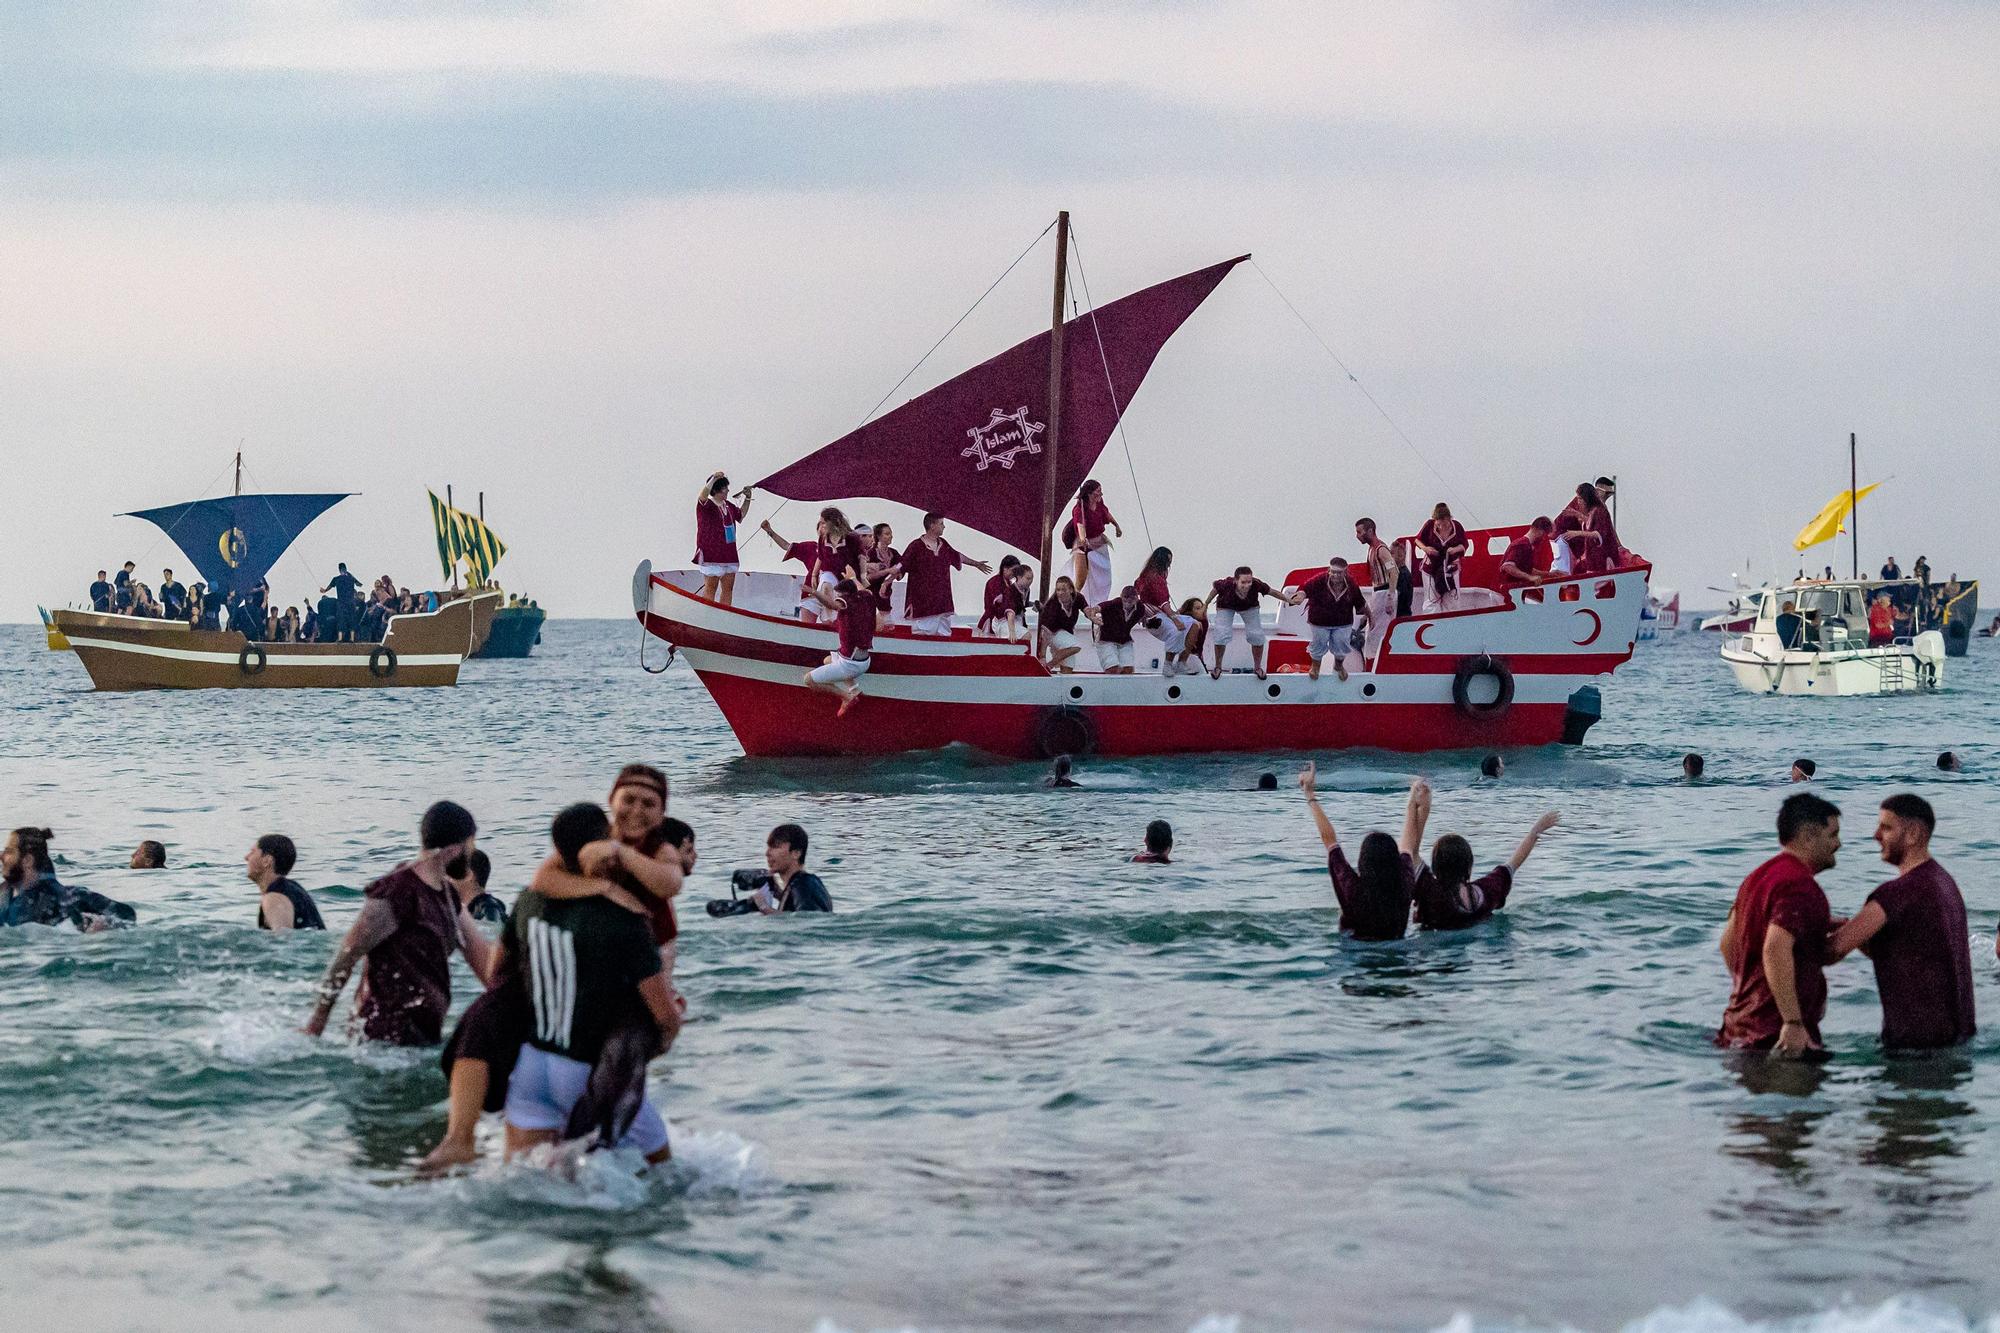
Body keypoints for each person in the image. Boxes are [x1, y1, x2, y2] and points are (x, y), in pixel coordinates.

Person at [428, 765, 681, 1172]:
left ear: (663, 812)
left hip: (541, 1059)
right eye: (628, 800)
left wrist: (622, 856)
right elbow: (543, 879)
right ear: (611, 804)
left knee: (529, 1176)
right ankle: (459, 1138)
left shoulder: (656, 850)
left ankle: (460, 1140)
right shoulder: (603, 876)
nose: (636, 810)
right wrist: (607, 888)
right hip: (586, 1049)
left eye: (649, 803)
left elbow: (669, 883)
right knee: (659, 1174)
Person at [501, 803, 681, 1164]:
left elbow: (496, 974)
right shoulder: (623, 918)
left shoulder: (528, 901)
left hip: (531, 1064)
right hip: (589, 1068)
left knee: (529, 1176)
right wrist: (660, 1041)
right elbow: (663, 1015)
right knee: (664, 1174)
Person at [303, 800, 495, 1045]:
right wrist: (317, 1024)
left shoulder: (448, 897)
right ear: (455, 849)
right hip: (380, 1042)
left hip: (424, 1038)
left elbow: (485, 964)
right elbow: (345, 957)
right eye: (471, 844)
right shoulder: (396, 892)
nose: (472, 854)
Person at [1825, 794, 1975, 1051]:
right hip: (1956, 1036)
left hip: (1914, 1045)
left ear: (1914, 833)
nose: (1875, 835)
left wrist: (1785, 936)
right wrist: (1852, 931)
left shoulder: (1896, 894)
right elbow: (1912, 953)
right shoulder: (1945, 884)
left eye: (1886, 827)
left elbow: (1832, 950)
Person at [1716, 792, 1841, 1057]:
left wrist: (1754, 992)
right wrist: (1792, 1022)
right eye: (1832, 835)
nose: (1838, 844)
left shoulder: (1757, 878)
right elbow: (1775, 949)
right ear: (1809, 836)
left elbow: (1728, 944)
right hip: (1776, 1036)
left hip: (1739, 1028)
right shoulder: (1800, 885)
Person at [1299, 761, 1427, 941]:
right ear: (1395, 862)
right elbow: (1408, 845)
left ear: (1362, 861)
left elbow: (1329, 839)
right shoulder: (1404, 884)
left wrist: (1309, 794)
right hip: (1399, 952)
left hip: (1355, 954)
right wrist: (1414, 802)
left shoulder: (1353, 889)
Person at [1413, 810, 1560, 931]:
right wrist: (1536, 830)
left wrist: (1416, 807)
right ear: (1469, 865)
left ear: (1436, 867)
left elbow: (1412, 853)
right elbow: (1514, 862)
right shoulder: (1487, 890)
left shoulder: (1432, 894)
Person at [0, 827, 137, 930]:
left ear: (27, 860)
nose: (2, 856)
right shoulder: (3, 894)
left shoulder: (67, 899)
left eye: (9, 852)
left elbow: (127, 915)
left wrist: (103, 926)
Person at [900, 511, 991, 635]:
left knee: (943, 634)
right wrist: (887, 580)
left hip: (942, 601)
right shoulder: (916, 546)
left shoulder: (943, 544)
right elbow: (901, 566)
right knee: (923, 633)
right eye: (941, 523)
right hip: (923, 603)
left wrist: (976, 564)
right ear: (932, 525)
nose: (944, 526)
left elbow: (957, 556)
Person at [1203, 567, 1300, 681]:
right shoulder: (1227, 584)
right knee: (1221, 633)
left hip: (1249, 607)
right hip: (1226, 605)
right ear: (1236, 581)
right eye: (1243, 582)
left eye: (1249, 582)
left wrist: (1289, 600)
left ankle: (1257, 668)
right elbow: (1215, 590)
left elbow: (1272, 592)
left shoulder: (1256, 584)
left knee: (1256, 635)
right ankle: (1218, 667)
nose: (1247, 585)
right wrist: (1206, 604)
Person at [802, 577, 879, 717]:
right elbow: (863, 589)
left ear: (845, 595)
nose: (836, 598)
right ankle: (854, 688)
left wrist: (815, 592)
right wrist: (852, 577)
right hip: (864, 659)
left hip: (851, 664)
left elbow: (832, 605)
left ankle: (846, 697)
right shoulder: (866, 597)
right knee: (827, 660)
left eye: (838, 595)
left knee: (808, 680)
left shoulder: (847, 603)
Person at [1298, 557, 1368, 682]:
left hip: (1342, 622)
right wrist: (1300, 596)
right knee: (1319, 642)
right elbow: (1305, 588)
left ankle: (1339, 666)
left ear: (1345, 572)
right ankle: (1315, 667)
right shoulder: (1320, 580)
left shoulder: (1351, 584)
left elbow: (1360, 603)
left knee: (1341, 643)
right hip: (1319, 621)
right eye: (1333, 571)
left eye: (1339, 572)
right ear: (1329, 570)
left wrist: (1370, 616)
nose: (1335, 575)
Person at [692, 472, 752, 606]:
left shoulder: (728, 506)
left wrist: (748, 499)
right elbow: (702, 496)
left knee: (728, 589)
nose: (728, 490)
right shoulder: (706, 506)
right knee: (710, 588)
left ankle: (725, 614)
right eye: (725, 488)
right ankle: (707, 615)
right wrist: (713, 479)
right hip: (711, 554)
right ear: (716, 489)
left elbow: (740, 515)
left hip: (728, 553)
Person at [248, 834, 326, 931]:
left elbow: (283, 941)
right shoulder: (294, 888)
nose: (246, 857)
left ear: (267, 861)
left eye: (252, 852)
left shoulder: (274, 897)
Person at [1067, 479, 1121, 603]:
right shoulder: (1079, 508)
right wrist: (1082, 538)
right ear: (1089, 493)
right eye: (1098, 492)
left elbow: (1106, 513)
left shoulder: (1099, 502)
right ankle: (1072, 600)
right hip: (1084, 543)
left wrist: (1116, 525)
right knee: (1081, 579)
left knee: (1103, 576)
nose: (1101, 495)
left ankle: (1098, 603)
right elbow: (1080, 524)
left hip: (1099, 542)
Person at [760, 824, 831, 912]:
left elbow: (806, 920)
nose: (767, 853)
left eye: (775, 847)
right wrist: (779, 894)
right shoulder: (806, 883)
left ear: (796, 853)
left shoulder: (802, 884)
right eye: (768, 847)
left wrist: (763, 907)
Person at [1355, 518, 1397, 661]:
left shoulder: (1381, 549)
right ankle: (1371, 661)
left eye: (1360, 532)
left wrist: (1390, 596)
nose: (1358, 536)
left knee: (1378, 631)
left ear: (1370, 531)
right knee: (1371, 630)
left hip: (1384, 592)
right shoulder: (1371, 550)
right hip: (1378, 592)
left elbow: (1394, 571)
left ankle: (1376, 662)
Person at [1416, 503, 1470, 611]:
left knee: (1452, 601)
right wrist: (1426, 549)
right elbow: (1418, 540)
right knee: (1431, 601)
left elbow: (1464, 544)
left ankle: (1451, 623)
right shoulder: (1429, 525)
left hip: (1450, 567)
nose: (1442, 527)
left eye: (1445, 524)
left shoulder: (1457, 527)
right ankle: (1432, 622)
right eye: (1439, 525)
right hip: (1431, 568)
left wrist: (1454, 550)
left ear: (1449, 519)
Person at [1085, 584, 1145, 674]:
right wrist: (1093, 617)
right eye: (1126, 597)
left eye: (1132, 598)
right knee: (1112, 669)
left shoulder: (1140, 608)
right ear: (1121, 596)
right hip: (1106, 639)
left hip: (1124, 640)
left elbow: (1143, 618)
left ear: (1137, 598)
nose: (1128, 600)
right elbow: (1096, 608)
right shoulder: (1114, 603)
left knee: (1128, 670)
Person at [1038, 575, 1085, 672]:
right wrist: (1042, 656)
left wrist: (1093, 617)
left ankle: (1056, 663)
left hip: (1065, 636)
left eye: (1063, 590)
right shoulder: (1052, 606)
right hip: (1053, 635)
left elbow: (1086, 608)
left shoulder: (1077, 598)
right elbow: (1045, 634)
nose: (1060, 593)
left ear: (1071, 590)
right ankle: (1050, 665)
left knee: (1068, 669)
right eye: (1058, 590)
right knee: (1077, 644)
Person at [452, 849, 509, 928]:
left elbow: (493, 933)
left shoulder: (489, 908)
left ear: (468, 875)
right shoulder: (468, 911)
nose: (446, 878)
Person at [979, 559, 1034, 641]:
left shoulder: (1022, 588)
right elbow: (1009, 611)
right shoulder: (996, 583)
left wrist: (1034, 604)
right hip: (1000, 620)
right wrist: (1012, 632)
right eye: (1014, 570)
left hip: (1014, 619)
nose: (1015, 573)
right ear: (1005, 568)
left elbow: (1021, 604)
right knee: (1025, 635)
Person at [1499, 518, 1555, 589]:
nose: (1544, 538)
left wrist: (1551, 574)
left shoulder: (1526, 545)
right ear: (1538, 530)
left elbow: (1527, 569)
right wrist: (1529, 577)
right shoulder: (1522, 544)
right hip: (1508, 591)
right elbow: (1507, 566)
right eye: (1544, 534)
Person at [322, 562, 363, 643]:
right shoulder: (351, 578)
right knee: (352, 619)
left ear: (339, 569)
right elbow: (359, 585)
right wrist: (350, 575)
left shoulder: (336, 579)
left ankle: (340, 638)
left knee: (341, 619)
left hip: (341, 602)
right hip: (351, 601)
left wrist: (324, 590)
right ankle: (352, 638)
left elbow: (328, 588)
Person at [1134, 547, 1174, 615]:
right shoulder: (1155, 579)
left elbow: (1136, 587)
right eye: (1167, 562)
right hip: (1153, 612)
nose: (1169, 566)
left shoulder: (1146, 575)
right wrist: (1175, 618)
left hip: (1147, 609)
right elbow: (1163, 602)